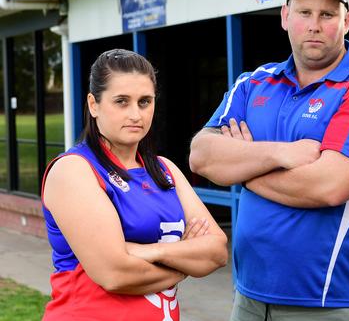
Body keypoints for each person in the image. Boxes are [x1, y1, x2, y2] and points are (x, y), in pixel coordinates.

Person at [189, 0, 349, 321]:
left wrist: (240, 166)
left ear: (347, 21)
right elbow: (201, 156)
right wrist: (282, 153)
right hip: (248, 298)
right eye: (304, 12)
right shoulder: (253, 83)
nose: (314, 24)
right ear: (285, 16)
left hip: (333, 303)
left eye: (327, 14)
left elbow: (327, 187)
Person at [41, 49, 229, 321]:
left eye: (144, 102)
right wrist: (184, 264)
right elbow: (115, 274)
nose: (135, 114)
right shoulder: (74, 170)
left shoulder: (164, 169)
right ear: (94, 104)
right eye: (121, 101)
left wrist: (150, 251)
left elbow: (217, 251)